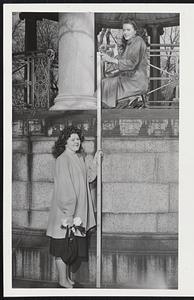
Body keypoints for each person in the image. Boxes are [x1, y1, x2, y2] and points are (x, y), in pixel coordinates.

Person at [46, 126, 99, 288]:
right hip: (66, 214)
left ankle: (66, 278)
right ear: (65, 142)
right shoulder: (63, 159)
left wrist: (96, 160)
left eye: (78, 139)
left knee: (69, 246)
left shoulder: (77, 158)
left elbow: (88, 178)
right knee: (62, 247)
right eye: (72, 139)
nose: (76, 142)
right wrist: (68, 214)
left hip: (75, 213)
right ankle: (62, 280)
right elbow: (64, 189)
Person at [101, 18, 149, 108]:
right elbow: (122, 62)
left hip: (136, 81)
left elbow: (131, 63)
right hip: (131, 79)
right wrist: (112, 54)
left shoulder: (138, 41)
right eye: (124, 30)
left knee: (106, 83)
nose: (125, 32)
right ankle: (113, 108)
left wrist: (111, 60)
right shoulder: (130, 43)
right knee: (106, 82)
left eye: (128, 30)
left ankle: (106, 110)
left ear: (135, 31)